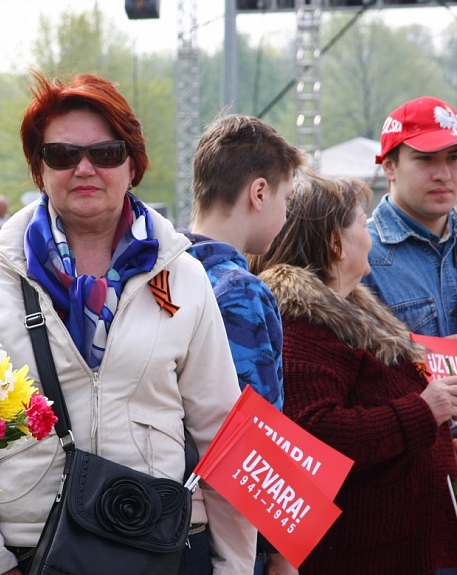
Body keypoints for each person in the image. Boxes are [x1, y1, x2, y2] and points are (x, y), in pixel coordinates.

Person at [0, 71, 256, 575]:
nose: (85, 168)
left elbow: (223, 433)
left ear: (133, 165)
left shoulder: (183, 275)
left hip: (162, 548)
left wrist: (234, 567)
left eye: (105, 153)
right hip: (30, 552)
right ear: (40, 169)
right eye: (62, 155)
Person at [249, 173, 457, 574]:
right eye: (362, 224)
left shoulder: (350, 314)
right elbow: (315, 435)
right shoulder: (302, 327)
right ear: (335, 242)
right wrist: (422, 411)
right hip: (361, 554)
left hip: (401, 548)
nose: (371, 236)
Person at [182, 114, 304, 575]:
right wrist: (280, 553)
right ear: (258, 193)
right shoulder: (242, 292)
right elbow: (257, 434)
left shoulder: (155, 275)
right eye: (286, 199)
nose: (286, 214)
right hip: (229, 536)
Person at [362, 96, 457, 337]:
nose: (443, 174)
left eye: (453, 158)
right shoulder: (359, 255)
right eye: (426, 158)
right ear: (389, 167)